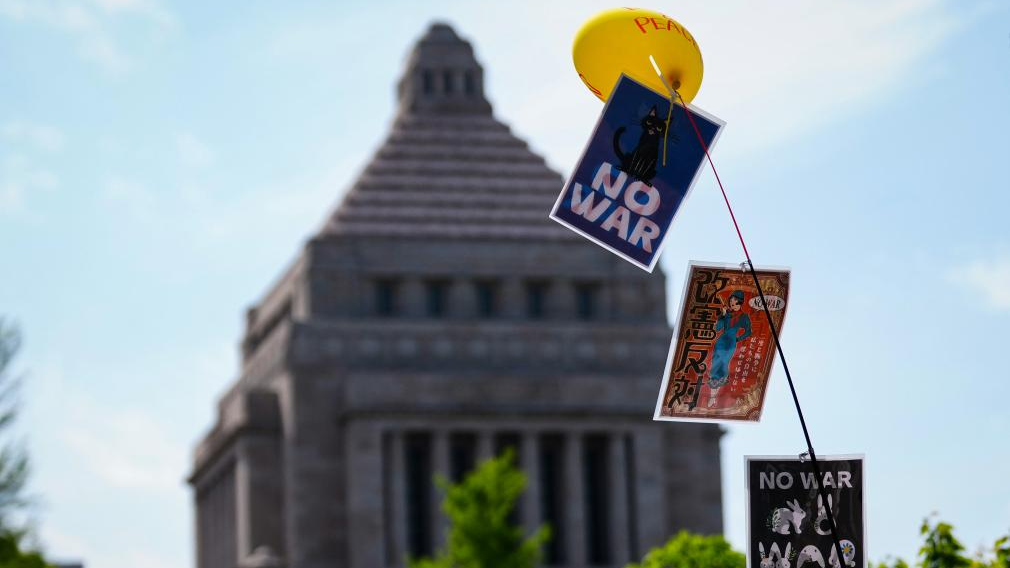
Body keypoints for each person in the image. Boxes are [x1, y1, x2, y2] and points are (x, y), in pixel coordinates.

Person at [707, 290, 751, 408]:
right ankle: (712, 397)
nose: (731, 301)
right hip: (721, 341)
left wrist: (738, 339)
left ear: (739, 301)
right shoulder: (727, 314)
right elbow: (718, 329)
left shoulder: (743, 316)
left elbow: (748, 331)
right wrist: (722, 315)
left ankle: (714, 397)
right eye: (731, 299)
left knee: (723, 364)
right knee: (715, 364)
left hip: (730, 343)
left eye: (733, 300)